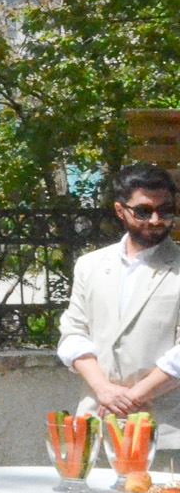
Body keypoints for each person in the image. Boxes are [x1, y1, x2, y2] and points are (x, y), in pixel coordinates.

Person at [60, 162, 180, 434]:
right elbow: (73, 335)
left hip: (166, 429)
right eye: (143, 211)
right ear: (120, 210)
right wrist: (103, 390)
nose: (156, 220)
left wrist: (132, 398)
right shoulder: (89, 265)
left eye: (165, 210)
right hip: (96, 423)